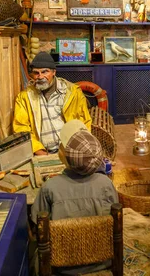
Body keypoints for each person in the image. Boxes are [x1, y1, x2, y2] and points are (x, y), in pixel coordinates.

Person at [30, 119, 119, 275]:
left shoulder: (49, 187)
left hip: (60, 266)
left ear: (64, 156)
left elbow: (37, 225)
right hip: (102, 262)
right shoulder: (106, 184)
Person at [13, 52, 91, 155]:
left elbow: (84, 122)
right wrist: (40, 152)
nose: (40, 77)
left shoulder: (72, 93)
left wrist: (76, 149)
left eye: (45, 72)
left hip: (70, 150)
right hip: (42, 152)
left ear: (54, 72)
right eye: (36, 73)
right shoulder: (24, 98)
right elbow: (21, 129)